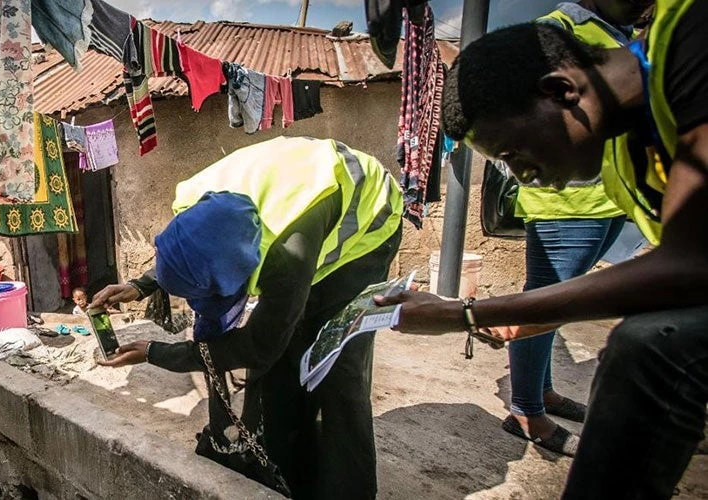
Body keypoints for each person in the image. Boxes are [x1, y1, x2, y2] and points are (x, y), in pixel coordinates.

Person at [379, 1, 708, 497]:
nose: (521, 177)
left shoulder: (694, 35)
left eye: (513, 154)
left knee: (647, 347)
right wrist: (524, 315)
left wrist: (466, 314)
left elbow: (689, 267)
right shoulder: (625, 160)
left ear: (559, 90)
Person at [91, 136, 403, 498]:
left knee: (336, 366)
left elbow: (258, 346)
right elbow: (191, 250)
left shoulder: (285, 256)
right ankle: (286, 472)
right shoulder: (196, 202)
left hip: (366, 224)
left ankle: (347, 489)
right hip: (305, 198)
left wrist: (154, 353)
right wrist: (141, 284)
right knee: (283, 368)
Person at [501, 0, 645, 457]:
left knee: (555, 303)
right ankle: (525, 409)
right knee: (548, 297)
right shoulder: (558, 30)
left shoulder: (619, 34)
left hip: (604, 194)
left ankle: (540, 392)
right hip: (568, 198)